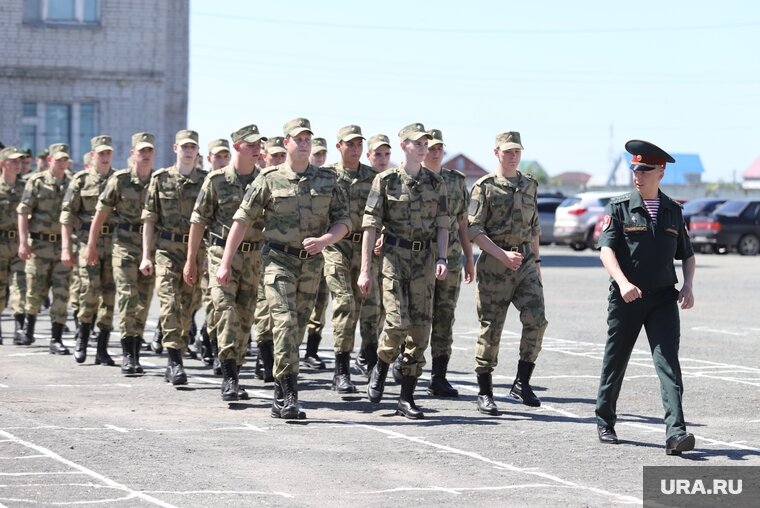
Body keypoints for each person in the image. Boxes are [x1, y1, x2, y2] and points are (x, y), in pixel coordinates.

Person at [219, 117, 350, 419]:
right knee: (285, 324)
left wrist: (326, 239)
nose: (304, 143)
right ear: (286, 142)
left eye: (308, 138)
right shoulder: (267, 178)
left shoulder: (328, 180)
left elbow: (344, 221)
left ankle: (285, 386)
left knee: (298, 328)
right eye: (298, 139)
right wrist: (225, 262)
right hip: (277, 261)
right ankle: (285, 394)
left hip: (311, 263)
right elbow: (242, 220)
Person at [595, 139, 696, 456]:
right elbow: (606, 250)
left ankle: (676, 433)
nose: (638, 174)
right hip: (627, 298)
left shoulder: (673, 211)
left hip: (664, 299)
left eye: (645, 169)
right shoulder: (620, 207)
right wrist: (623, 282)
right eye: (634, 169)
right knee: (616, 361)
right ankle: (605, 420)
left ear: (660, 172)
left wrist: (689, 285)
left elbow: (688, 254)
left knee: (668, 365)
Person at [358, 122, 449, 420]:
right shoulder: (385, 182)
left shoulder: (436, 184)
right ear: (404, 146)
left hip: (424, 261)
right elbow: (370, 225)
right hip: (394, 259)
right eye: (417, 143)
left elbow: (442, 225)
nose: (424, 147)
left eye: (426, 143)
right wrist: (365, 270)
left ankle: (406, 397)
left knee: (420, 330)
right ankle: (382, 365)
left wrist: (443, 258)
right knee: (397, 323)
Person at [467, 131, 547, 415]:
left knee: (537, 320)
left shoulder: (529, 185)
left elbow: (534, 226)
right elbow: (473, 229)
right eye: (508, 151)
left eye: (517, 151)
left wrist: (536, 263)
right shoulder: (484, 187)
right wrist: (502, 255)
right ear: (496, 152)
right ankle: (485, 391)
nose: (513, 156)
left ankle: (522, 382)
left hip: (525, 263)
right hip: (495, 263)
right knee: (492, 327)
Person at [186, 124, 266, 401]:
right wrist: (191, 262)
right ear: (237, 147)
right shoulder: (217, 181)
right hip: (221, 255)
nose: (257, 149)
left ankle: (235, 368)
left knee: (245, 318)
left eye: (259, 144)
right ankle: (229, 378)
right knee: (227, 312)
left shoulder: (264, 180)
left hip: (255, 257)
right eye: (251, 144)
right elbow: (198, 222)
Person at [86, 132, 156, 376]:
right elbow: (101, 214)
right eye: (141, 151)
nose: (145, 155)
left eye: (149, 151)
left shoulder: (158, 180)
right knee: (127, 296)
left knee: (144, 300)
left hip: (150, 247)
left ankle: (136, 349)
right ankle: (128, 355)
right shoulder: (120, 180)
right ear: (133, 154)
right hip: (124, 245)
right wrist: (91, 245)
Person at [141, 129, 205, 386]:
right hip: (166, 250)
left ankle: (179, 348)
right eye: (184, 146)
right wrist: (146, 255)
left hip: (196, 252)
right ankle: (174, 361)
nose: (189, 151)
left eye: (193, 147)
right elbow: (149, 219)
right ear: (175, 148)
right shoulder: (161, 179)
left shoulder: (206, 180)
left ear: (197, 151)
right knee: (169, 303)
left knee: (187, 306)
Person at [322, 125, 379, 393]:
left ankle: (369, 360)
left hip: (367, 250)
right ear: (339, 147)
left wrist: (384, 235)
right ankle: (341, 370)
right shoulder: (326, 177)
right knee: (345, 304)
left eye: (358, 144)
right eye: (350, 144)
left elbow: (386, 212)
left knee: (370, 310)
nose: (355, 149)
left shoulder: (375, 177)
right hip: (336, 247)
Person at [419, 129, 475, 397]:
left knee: (445, 316)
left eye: (439, 147)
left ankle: (438, 377)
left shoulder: (455, 181)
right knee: (416, 316)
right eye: (430, 147)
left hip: (450, 258)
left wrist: (468, 258)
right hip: (417, 258)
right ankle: (406, 367)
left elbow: (463, 222)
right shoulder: (412, 178)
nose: (435, 151)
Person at [60, 136, 117, 366]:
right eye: (100, 153)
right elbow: (67, 214)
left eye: (108, 153)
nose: (104, 157)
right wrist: (66, 247)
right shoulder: (81, 180)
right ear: (93, 155)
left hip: (113, 244)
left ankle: (102, 348)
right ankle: (82, 339)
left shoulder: (118, 179)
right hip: (87, 244)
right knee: (89, 291)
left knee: (110, 296)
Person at [15, 143, 74, 353]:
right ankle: (27, 330)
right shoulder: (37, 181)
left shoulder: (72, 183)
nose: (62, 163)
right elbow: (23, 212)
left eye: (65, 160)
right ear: (50, 160)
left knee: (61, 292)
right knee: (35, 291)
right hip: (39, 246)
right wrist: (23, 242)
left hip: (63, 245)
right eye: (58, 160)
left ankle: (56, 339)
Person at [354, 134, 392, 376]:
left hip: (388, 252)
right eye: (377, 154)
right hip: (360, 248)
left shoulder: (392, 180)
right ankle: (367, 353)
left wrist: (385, 234)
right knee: (369, 305)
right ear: (368, 156)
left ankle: (370, 351)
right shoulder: (363, 180)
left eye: (387, 154)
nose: (382, 158)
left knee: (385, 308)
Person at [250, 135, 287, 382]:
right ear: (264, 157)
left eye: (282, 155)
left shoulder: (285, 184)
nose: (279, 160)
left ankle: (268, 362)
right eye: (274, 156)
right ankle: (263, 357)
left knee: (274, 311)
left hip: (273, 256)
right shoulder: (256, 182)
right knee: (257, 311)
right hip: (249, 253)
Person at [302, 135, 331, 370]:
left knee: (320, 303)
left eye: (323, 154)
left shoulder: (329, 181)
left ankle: (312, 351)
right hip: (299, 253)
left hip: (326, 252)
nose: (320, 158)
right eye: (317, 154)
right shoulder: (304, 180)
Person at [0, 147, 26, 345]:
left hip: (19, 241)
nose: (18, 164)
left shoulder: (26, 187)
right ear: (3, 163)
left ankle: (19, 328)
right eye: (13, 161)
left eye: (20, 161)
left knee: (20, 285)